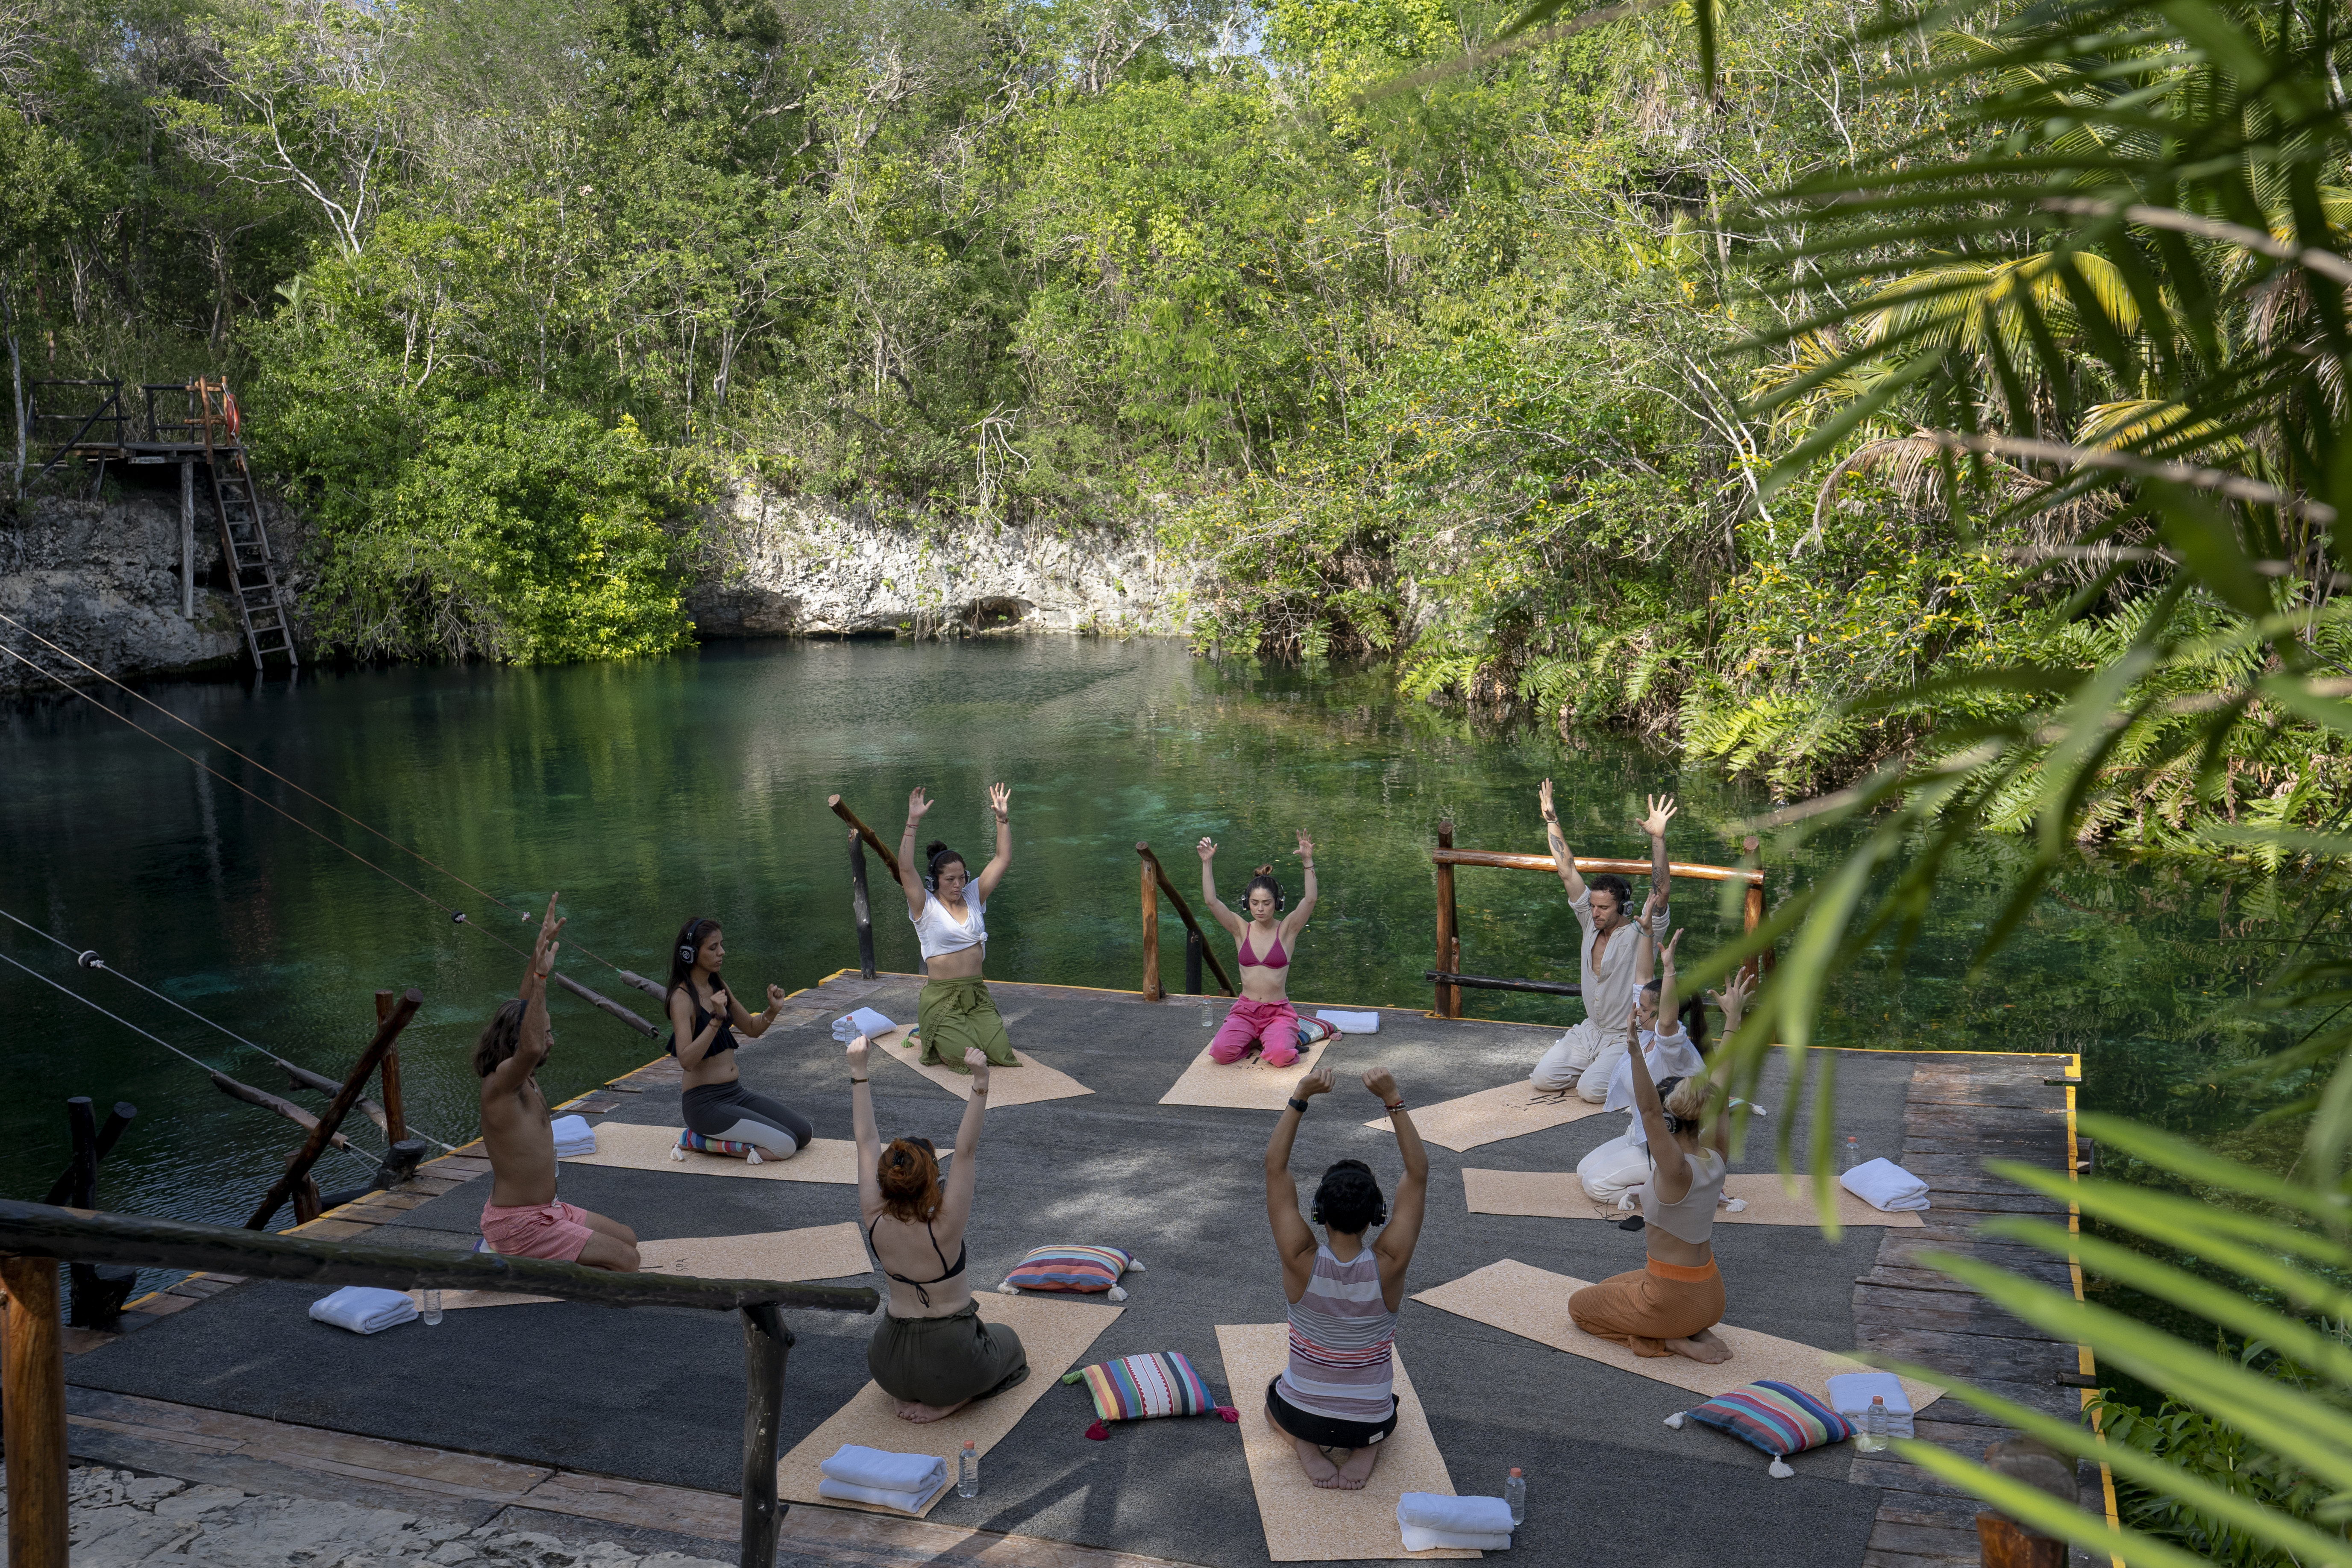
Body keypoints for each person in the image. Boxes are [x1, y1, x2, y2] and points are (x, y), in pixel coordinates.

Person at [1262, 1065, 1430, 1490]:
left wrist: (1301, 1095)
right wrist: (1393, 1098)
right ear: (1377, 1216)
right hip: (1369, 1421)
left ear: (1317, 1213)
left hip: (1304, 1415)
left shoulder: (1299, 1257)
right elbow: (1418, 1174)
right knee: (1384, 1407)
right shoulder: (1390, 1262)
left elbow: (1274, 1169)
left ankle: (1305, 1445)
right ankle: (1367, 1446)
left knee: (1272, 1397)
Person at [847, 1031, 1028, 1422]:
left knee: (959, 1348)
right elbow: (966, 1150)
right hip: (949, 1359)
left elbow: (866, 1142)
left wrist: (858, 1071)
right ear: (932, 1180)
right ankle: (953, 1400)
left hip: (887, 1365)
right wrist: (980, 1082)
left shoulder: (874, 1215)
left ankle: (911, 1393)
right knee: (1008, 1343)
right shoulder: (944, 1226)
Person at [1567, 969, 1741, 1363]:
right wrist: (1733, 1022)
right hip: (1712, 1296)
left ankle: (1671, 1339)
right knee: (1611, 1286)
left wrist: (1633, 1051)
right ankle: (1693, 1326)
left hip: (1673, 1299)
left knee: (1580, 1306)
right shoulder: (1716, 1157)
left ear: (1668, 1123)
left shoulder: (1675, 1170)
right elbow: (1721, 1087)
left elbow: (1647, 1110)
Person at [477, 894, 640, 1269]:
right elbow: (532, 1044)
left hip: (547, 1210)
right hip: (519, 1224)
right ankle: (504, 1255)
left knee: (627, 1237)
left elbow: (525, 1012)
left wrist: (539, 950)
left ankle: (536, 1253)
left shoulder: (521, 1075)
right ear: (520, 1043)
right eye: (546, 1033)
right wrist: (542, 978)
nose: (551, 1040)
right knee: (627, 1262)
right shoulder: (501, 1083)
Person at [1530, 785, 1676, 1100]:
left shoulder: (1644, 930)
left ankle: (1637, 1065)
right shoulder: (1589, 920)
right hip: (1589, 1031)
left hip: (1625, 1034)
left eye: (1603, 908)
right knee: (1542, 1079)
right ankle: (1601, 1065)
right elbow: (1567, 871)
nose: (1594, 913)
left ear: (1622, 907)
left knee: (1592, 1091)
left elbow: (1661, 891)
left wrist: (1657, 838)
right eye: (1593, 906)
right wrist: (1551, 820)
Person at [1576, 903, 1709, 1206]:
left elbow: (1665, 1019)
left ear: (1663, 1013)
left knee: (1596, 1186)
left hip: (1674, 1145)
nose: (1637, 1011)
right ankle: (1669, 1181)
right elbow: (1642, 975)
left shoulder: (1670, 1046)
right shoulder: (1648, 1031)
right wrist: (1646, 934)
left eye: (1644, 1010)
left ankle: (1680, 1186)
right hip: (1643, 1134)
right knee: (1582, 1171)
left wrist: (1671, 970)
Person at [665, 916, 810, 1158]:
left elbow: (752, 1028)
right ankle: (698, 1139)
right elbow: (687, 1061)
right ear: (690, 954)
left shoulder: (717, 984)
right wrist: (715, 1020)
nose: (722, 952)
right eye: (713, 948)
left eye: (721, 945)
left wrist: (772, 1011)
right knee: (785, 1147)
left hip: (735, 1094)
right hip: (704, 1105)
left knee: (803, 1134)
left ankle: (713, 1137)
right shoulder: (681, 999)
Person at [899, 784, 1020, 1075]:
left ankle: (955, 1030)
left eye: (961, 877)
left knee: (1000, 1055)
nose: (957, 885)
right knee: (966, 1060)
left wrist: (1002, 820)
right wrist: (912, 821)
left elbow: (1002, 859)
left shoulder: (973, 895)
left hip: (975, 993)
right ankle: (929, 1031)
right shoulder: (923, 906)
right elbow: (905, 869)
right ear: (935, 881)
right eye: (949, 879)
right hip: (942, 995)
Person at [1198, 830, 1319, 1067]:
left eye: (1267, 903)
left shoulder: (1288, 930)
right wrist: (1207, 863)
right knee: (1221, 1054)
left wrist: (1308, 861)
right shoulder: (1240, 929)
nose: (1260, 909)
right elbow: (1211, 901)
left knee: (1281, 1057)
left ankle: (1280, 1037)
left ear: (1278, 904)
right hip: (1246, 1010)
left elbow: (1310, 900)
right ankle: (1256, 1039)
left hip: (1278, 1012)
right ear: (1246, 903)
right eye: (1254, 903)